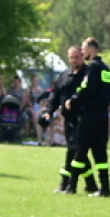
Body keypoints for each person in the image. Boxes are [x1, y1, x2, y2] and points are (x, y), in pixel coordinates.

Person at [65, 37, 110, 197]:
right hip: (102, 116)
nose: (82, 52)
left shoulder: (92, 67)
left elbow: (87, 88)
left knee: (80, 149)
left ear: (92, 49)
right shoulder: (106, 68)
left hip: (89, 116)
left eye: (84, 49)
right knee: (100, 153)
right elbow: (109, 92)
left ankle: (71, 186)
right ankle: (105, 188)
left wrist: (73, 100)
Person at [41, 46, 92, 193]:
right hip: (68, 120)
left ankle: (67, 184)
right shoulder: (64, 75)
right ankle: (91, 183)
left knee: (74, 151)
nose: (74, 60)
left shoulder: (88, 74)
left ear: (83, 56)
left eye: (77, 57)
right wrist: (49, 111)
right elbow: (55, 95)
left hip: (83, 119)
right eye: (72, 57)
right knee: (78, 152)